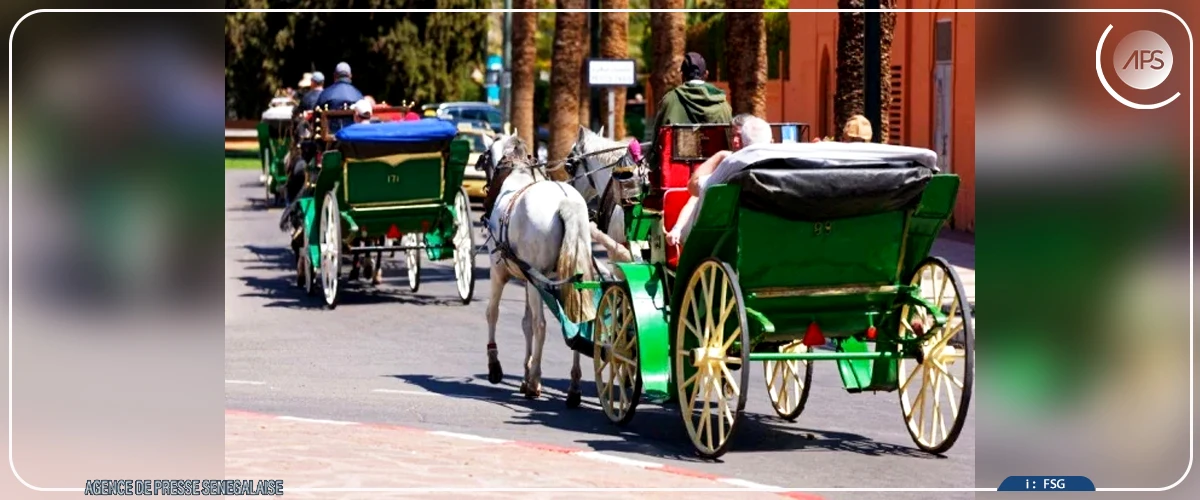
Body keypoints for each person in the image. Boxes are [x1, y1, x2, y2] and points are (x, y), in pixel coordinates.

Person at [666, 114, 773, 246]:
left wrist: (720, 156)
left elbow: (694, 186)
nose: (734, 141)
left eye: (739, 136)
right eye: (732, 135)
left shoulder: (731, 162)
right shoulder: (777, 160)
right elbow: (695, 196)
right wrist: (677, 228)